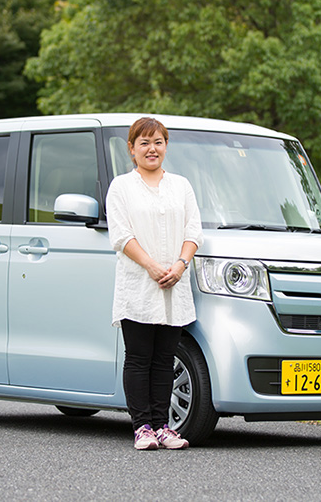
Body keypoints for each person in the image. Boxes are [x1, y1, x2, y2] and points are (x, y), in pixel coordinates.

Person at [106, 117, 203, 450]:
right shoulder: (121, 187)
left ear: (166, 146)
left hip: (175, 283)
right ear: (132, 149)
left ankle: (164, 427)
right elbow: (121, 235)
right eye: (144, 143)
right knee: (138, 356)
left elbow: (194, 233)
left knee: (165, 358)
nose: (152, 149)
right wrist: (151, 266)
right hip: (138, 284)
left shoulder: (181, 186)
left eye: (158, 142)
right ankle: (142, 427)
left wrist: (179, 265)